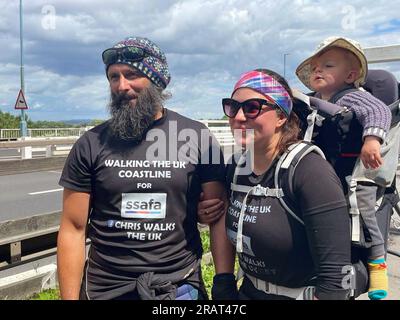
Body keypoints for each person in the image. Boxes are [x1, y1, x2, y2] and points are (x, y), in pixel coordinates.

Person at [56, 36, 234, 300]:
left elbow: (217, 213)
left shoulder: (196, 136)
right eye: (113, 77)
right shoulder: (91, 144)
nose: (121, 86)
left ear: (158, 81)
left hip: (178, 285)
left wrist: (223, 280)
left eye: (131, 75)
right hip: (106, 289)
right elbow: (73, 228)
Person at [204, 68, 353, 300]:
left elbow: (336, 278)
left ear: (281, 116)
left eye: (253, 107)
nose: (239, 117)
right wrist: (223, 280)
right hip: (248, 292)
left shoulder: (310, 171)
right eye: (232, 107)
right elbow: (222, 217)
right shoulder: (236, 167)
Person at [295, 36, 392, 299]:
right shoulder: (311, 101)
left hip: (356, 175)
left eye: (327, 66)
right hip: (325, 172)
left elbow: (379, 112)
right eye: (315, 67)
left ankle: (377, 263)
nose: (318, 71)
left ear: (350, 75)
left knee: (366, 214)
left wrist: (372, 139)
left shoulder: (352, 97)